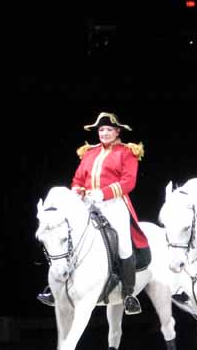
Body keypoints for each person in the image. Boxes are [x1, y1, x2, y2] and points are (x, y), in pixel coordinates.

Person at [37, 112, 145, 315]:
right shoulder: (90, 153)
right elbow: (78, 179)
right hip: (87, 203)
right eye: (101, 130)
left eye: (109, 130)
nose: (104, 133)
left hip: (114, 204)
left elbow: (128, 182)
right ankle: (56, 287)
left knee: (122, 242)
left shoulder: (126, 152)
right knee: (65, 235)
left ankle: (129, 294)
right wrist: (77, 190)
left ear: (117, 132)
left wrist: (102, 193)